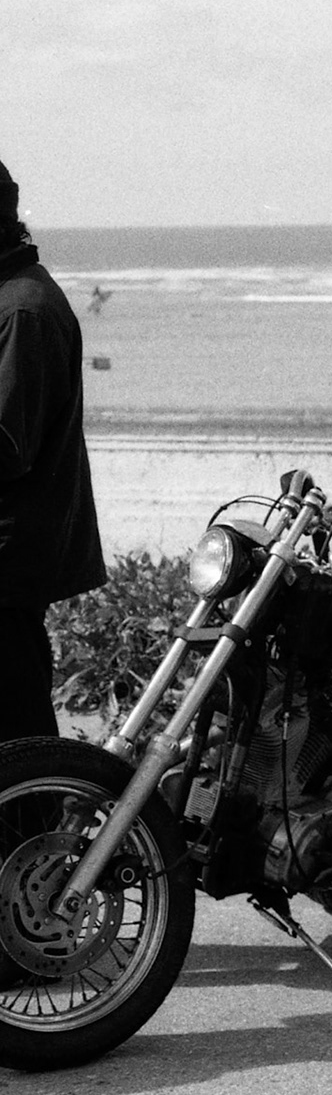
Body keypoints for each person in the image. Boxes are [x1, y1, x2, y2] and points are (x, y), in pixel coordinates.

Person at [0, 158, 107, 743]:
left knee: (17, 734)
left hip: (8, 560)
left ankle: (44, 804)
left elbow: (4, 444)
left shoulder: (22, 309)